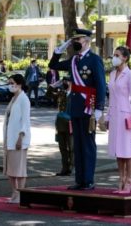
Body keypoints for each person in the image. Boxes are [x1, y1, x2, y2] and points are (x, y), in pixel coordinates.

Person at [49, 28, 106, 190]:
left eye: (78, 40)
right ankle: (79, 180)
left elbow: (101, 85)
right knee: (78, 145)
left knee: (87, 145)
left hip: (89, 107)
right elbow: (53, 65)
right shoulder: (74, 60)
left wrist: (99, 108)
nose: (75, 43)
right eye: (74, 40)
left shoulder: (94, 59)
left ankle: (88, 180)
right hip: (75, 108)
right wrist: (58, 51)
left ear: (87, 41)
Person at [104, 46, 131, 193]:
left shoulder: (130, 74)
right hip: (114, 115)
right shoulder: (112, 74)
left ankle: (129, 179)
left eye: (117, 55)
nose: (114, 57)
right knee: (117, 150)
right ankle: (120, 178)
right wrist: (107, 116)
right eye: (114, 55)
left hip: (126, 115)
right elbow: (111, 97)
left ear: (125, 58)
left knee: (127, 150)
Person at [3, 74, 31, 204]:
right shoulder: (13, 98)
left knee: (19, 169)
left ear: (19, 84)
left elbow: (25, 120)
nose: (10, 85)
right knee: (10, 170)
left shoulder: (24, 99)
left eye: (12, 83)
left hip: (18, 139)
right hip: (9, 138)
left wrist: (21, 137)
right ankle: (14, 193)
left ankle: (20, 194)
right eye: (9, 83)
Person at [55, 77, 74, 176]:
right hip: (60, 122)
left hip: (71, 122)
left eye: (67, 81)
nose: (65, 83)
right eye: (64, 81)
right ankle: (64, 168)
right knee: (62, 147)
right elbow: (48, 95)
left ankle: (71, 168)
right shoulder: (61, 93)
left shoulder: (75, 94)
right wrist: (54, 85)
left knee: (71, 147)